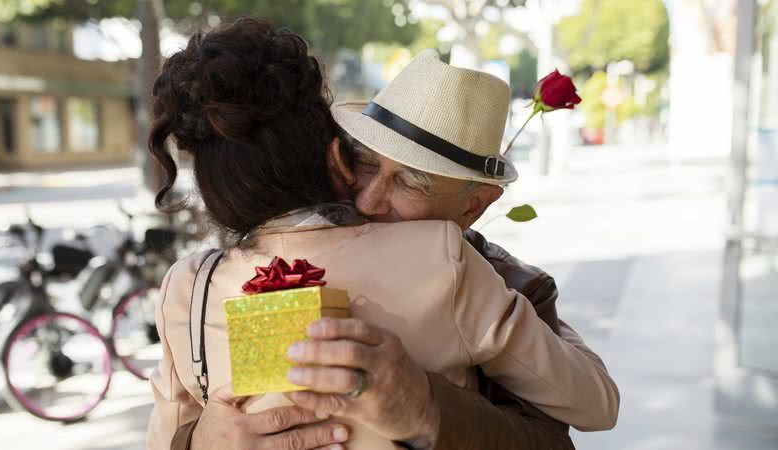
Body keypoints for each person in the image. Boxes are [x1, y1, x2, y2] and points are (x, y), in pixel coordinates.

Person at [146, 18, 619, 450]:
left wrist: (428, 411)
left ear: (475, 206)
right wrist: (197, 442)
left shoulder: (495, 279)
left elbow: (576, 423)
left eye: (412, 181)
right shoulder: (196, 284)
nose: (368, 200)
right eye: (365, 161)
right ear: (336, 156)